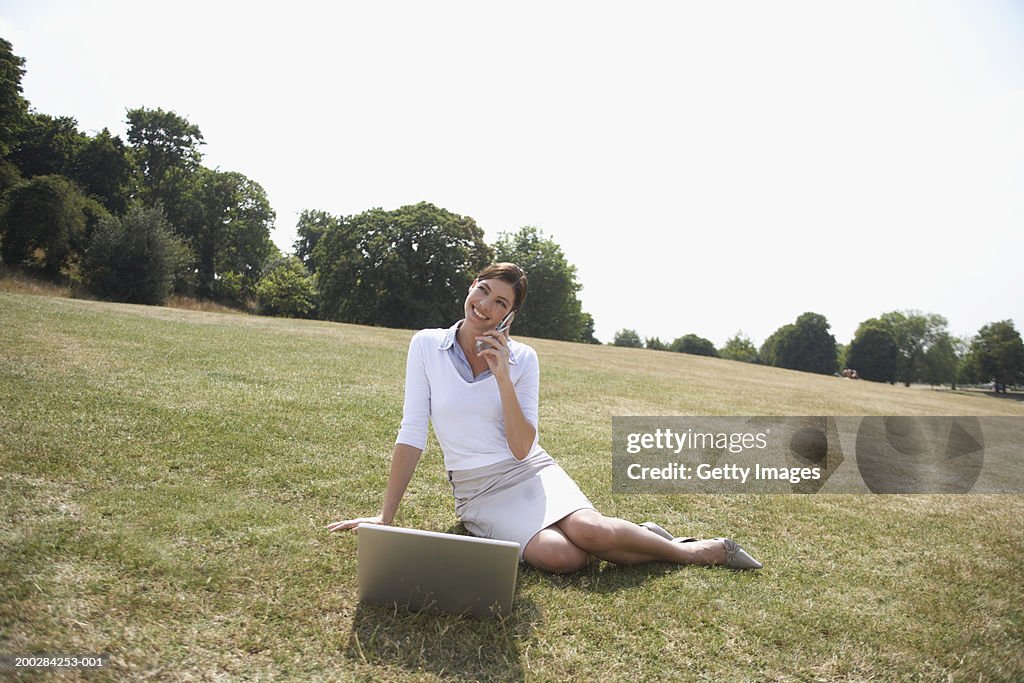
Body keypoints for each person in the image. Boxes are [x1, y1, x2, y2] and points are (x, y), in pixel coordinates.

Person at [327, 263, 761, 573]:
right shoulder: (426, 346)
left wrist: (503, 377)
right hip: (479, 491)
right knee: (564, 557)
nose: (485, 306)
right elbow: (412, 432)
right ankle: (643, 536)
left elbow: (521, 447)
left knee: (590, 531)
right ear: (472, 285)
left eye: (500, 303)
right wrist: (385, 517)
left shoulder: (523, 360)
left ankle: (698, 551)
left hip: (530, 470)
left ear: (509, 316)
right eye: (484, 291)